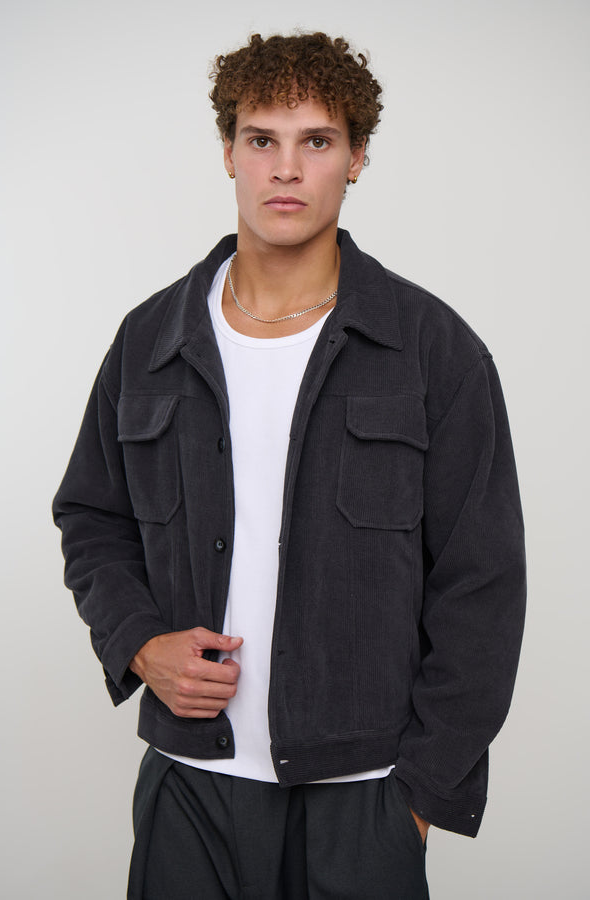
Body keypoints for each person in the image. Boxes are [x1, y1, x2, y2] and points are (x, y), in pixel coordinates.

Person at [53, 31, 526, 900]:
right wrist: (138, 644)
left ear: (357, 158)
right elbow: (92, 517)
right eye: (262, 139)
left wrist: (418, 797)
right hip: (190, 786)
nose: (286, 168)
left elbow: (483, 584)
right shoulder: (150, 341)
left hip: (365, 797)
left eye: (317, 140)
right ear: (228, 151)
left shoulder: (435, 350)